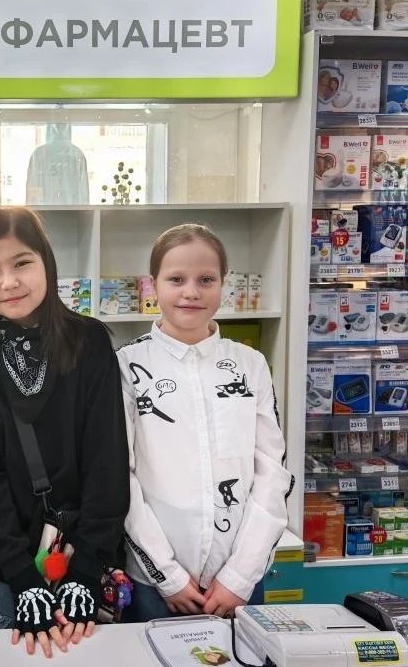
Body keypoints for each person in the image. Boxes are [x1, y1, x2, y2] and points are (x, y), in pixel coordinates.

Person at [0, 207, 128, 658]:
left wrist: (87, 569)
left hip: (83, 561)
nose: (9, 282)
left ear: (46, 263)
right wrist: (21, 576)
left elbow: (107, 461)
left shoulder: (89, 343)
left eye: (22, 263)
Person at [117, 224, 293, 622]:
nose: (191, 292)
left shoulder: (250, 365)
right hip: (155, 584)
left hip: (237, 583)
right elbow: (119, 476)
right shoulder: (127, 365)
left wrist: (239, 576)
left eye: (206, 280)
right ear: (153, 285)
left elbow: (272, 473)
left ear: (223, 285)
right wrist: (167, 575)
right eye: (176, 279)